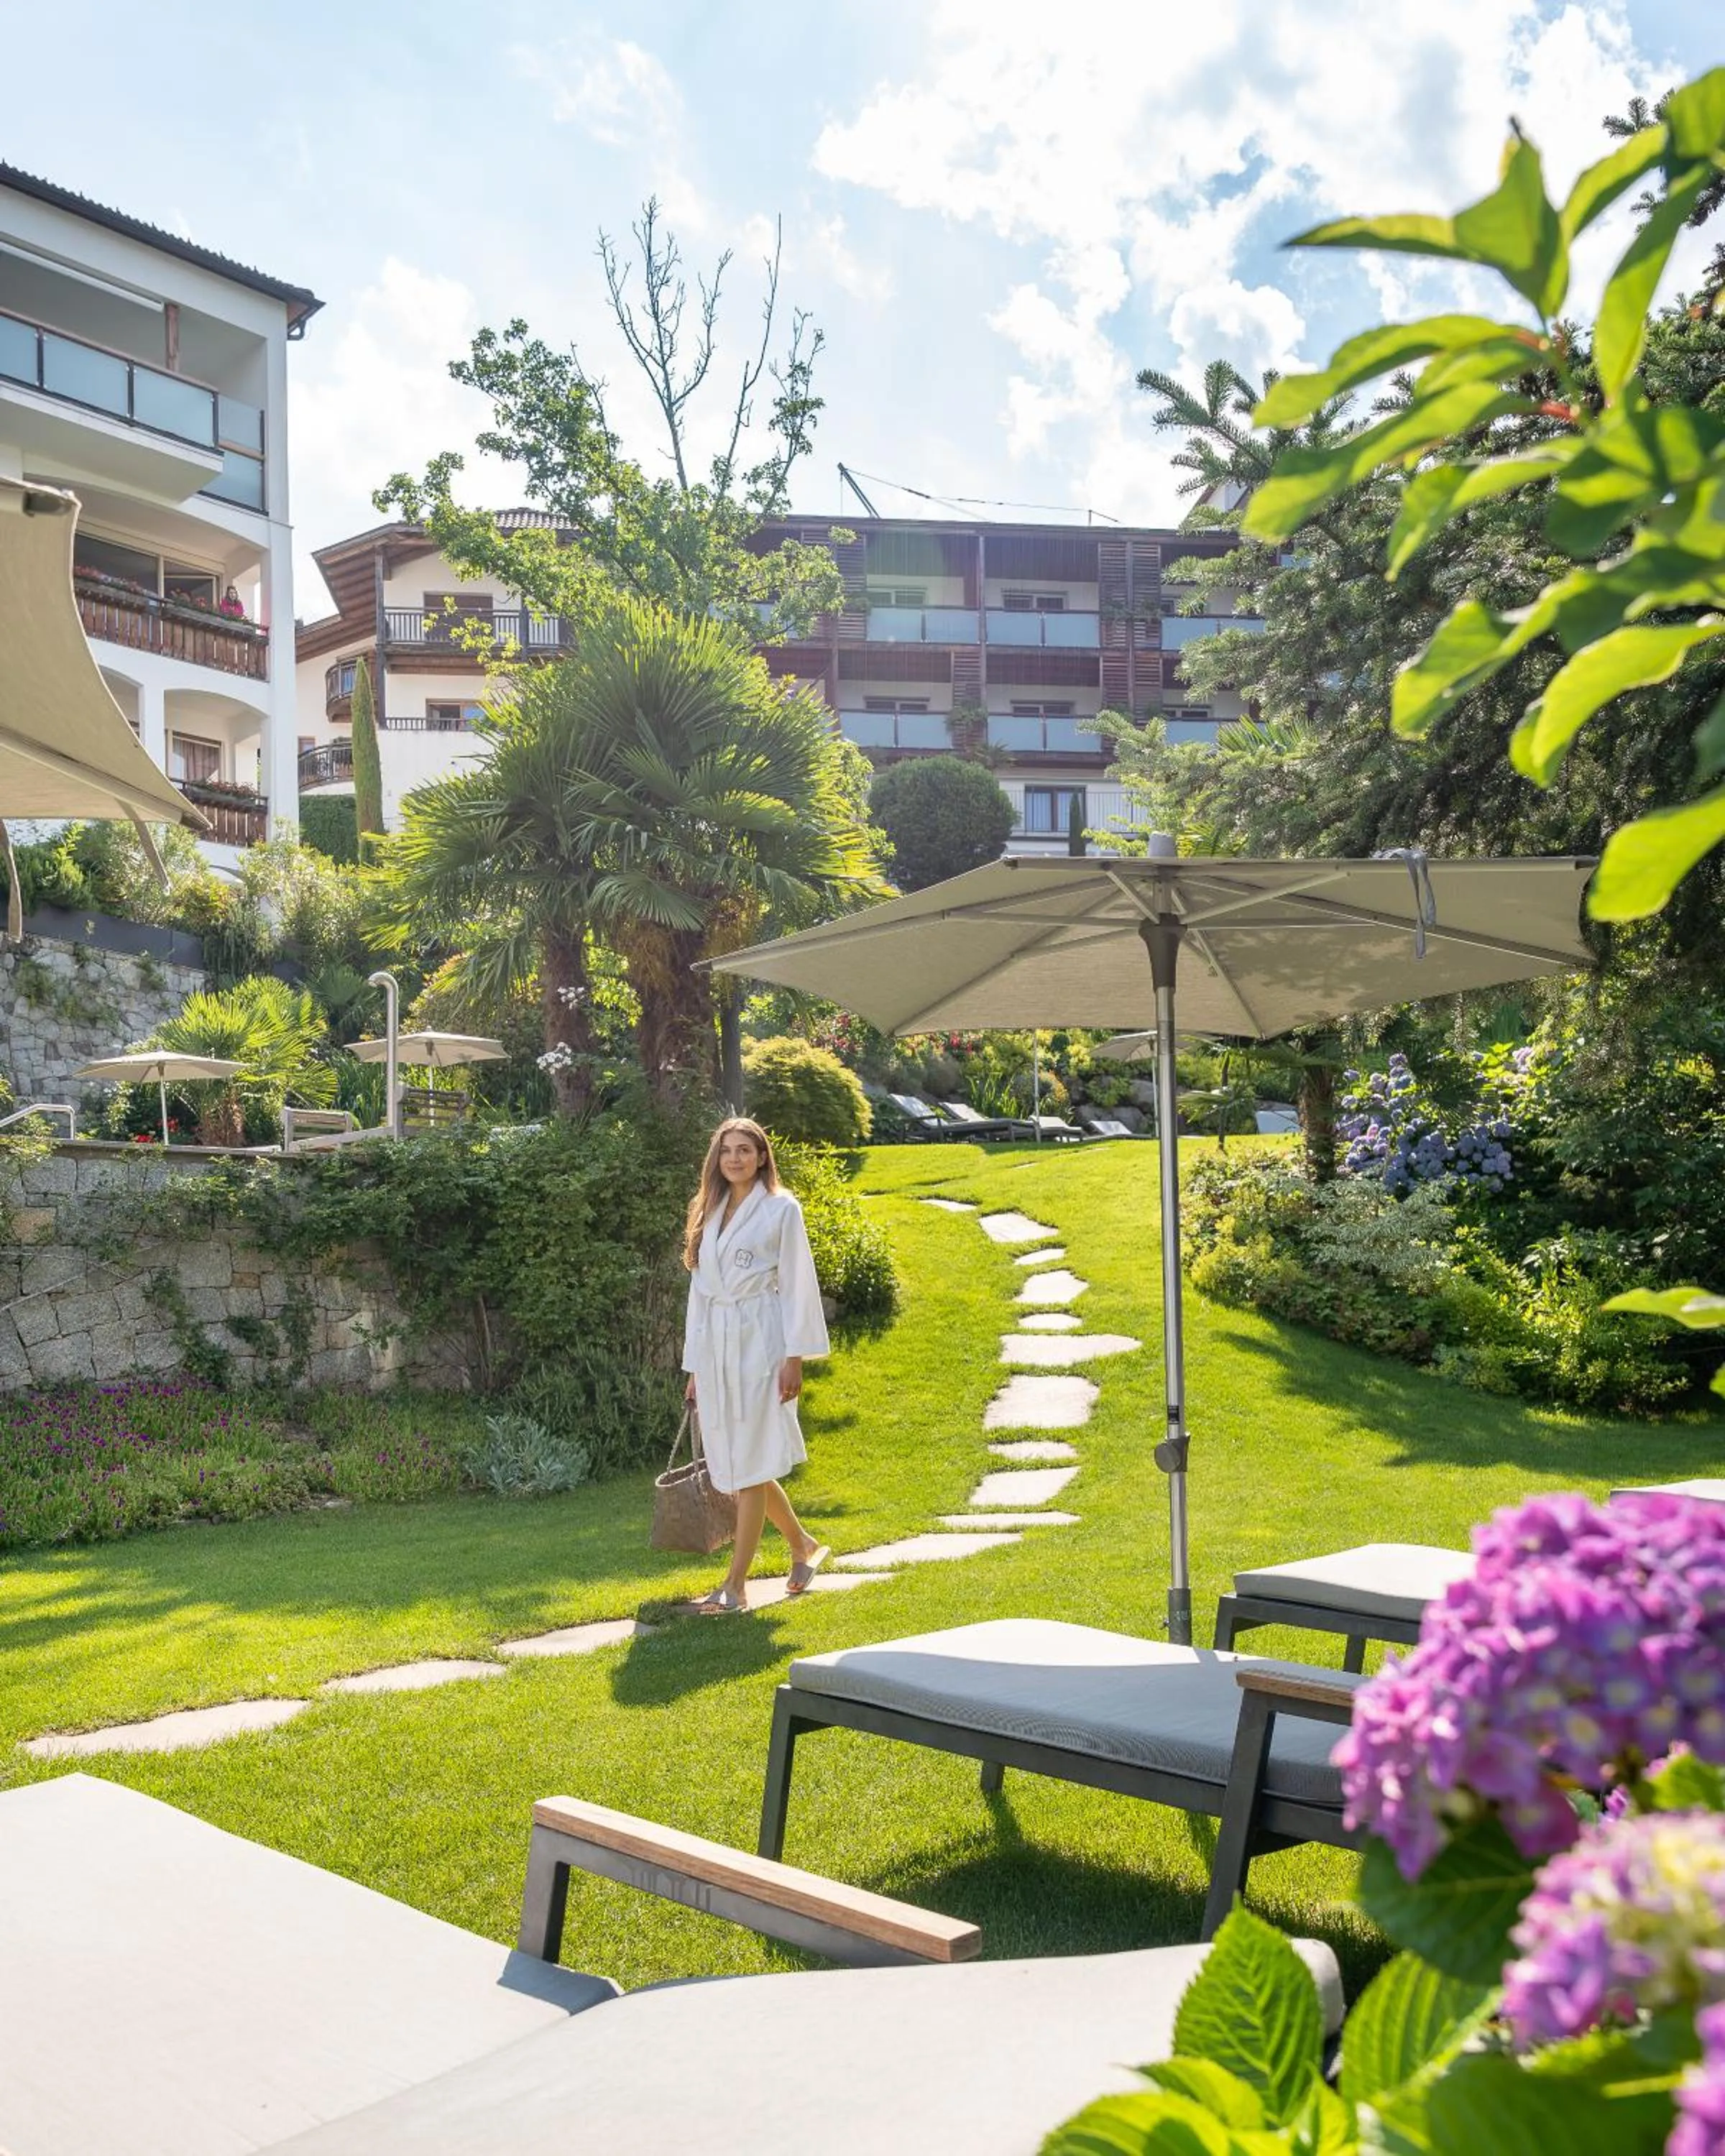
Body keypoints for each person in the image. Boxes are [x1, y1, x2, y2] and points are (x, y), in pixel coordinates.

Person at [681, 1117, 831, 1614]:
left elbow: (798, 1285)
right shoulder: (712, 1209)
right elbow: (700, 1296)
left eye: (746, 1150)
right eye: (728, 1151)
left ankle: (736, 1584)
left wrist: (795, 1358)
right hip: (718, 1348)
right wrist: (695, 1369)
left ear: (762, 1156)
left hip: (761, 1346)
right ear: (717, 1160)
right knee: (746, 1462)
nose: (736, 1159)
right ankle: (803, 1545)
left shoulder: (781, 1209)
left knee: (749, 1468)